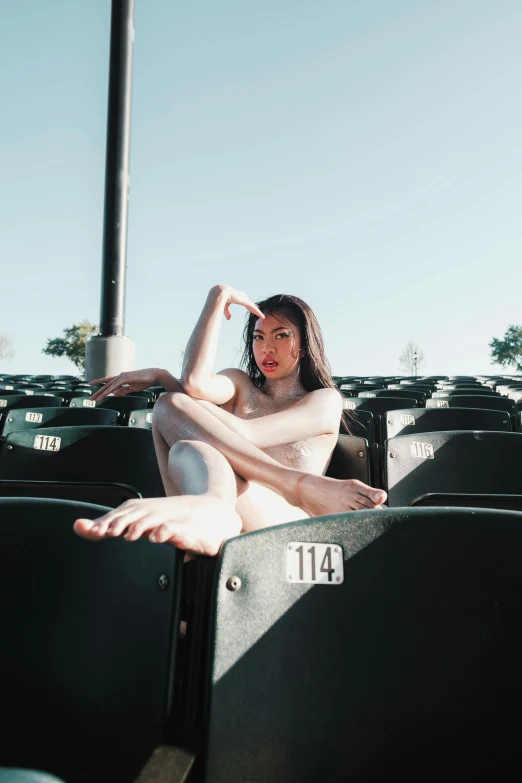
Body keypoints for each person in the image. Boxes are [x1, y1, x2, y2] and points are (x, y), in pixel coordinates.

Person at [74, 285, 387, 555]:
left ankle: (248, 498)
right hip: (224, 505)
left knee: (174, 407)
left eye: (281, 335)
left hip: (285, 521)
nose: (267, 347)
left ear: (304, 345)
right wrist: (216, 297)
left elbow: (246, 434)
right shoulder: (238, 383)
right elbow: (195, 384)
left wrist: (172, 387)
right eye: (258, 336)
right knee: (177, 423)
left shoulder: (325, 400)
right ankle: (217, 505)